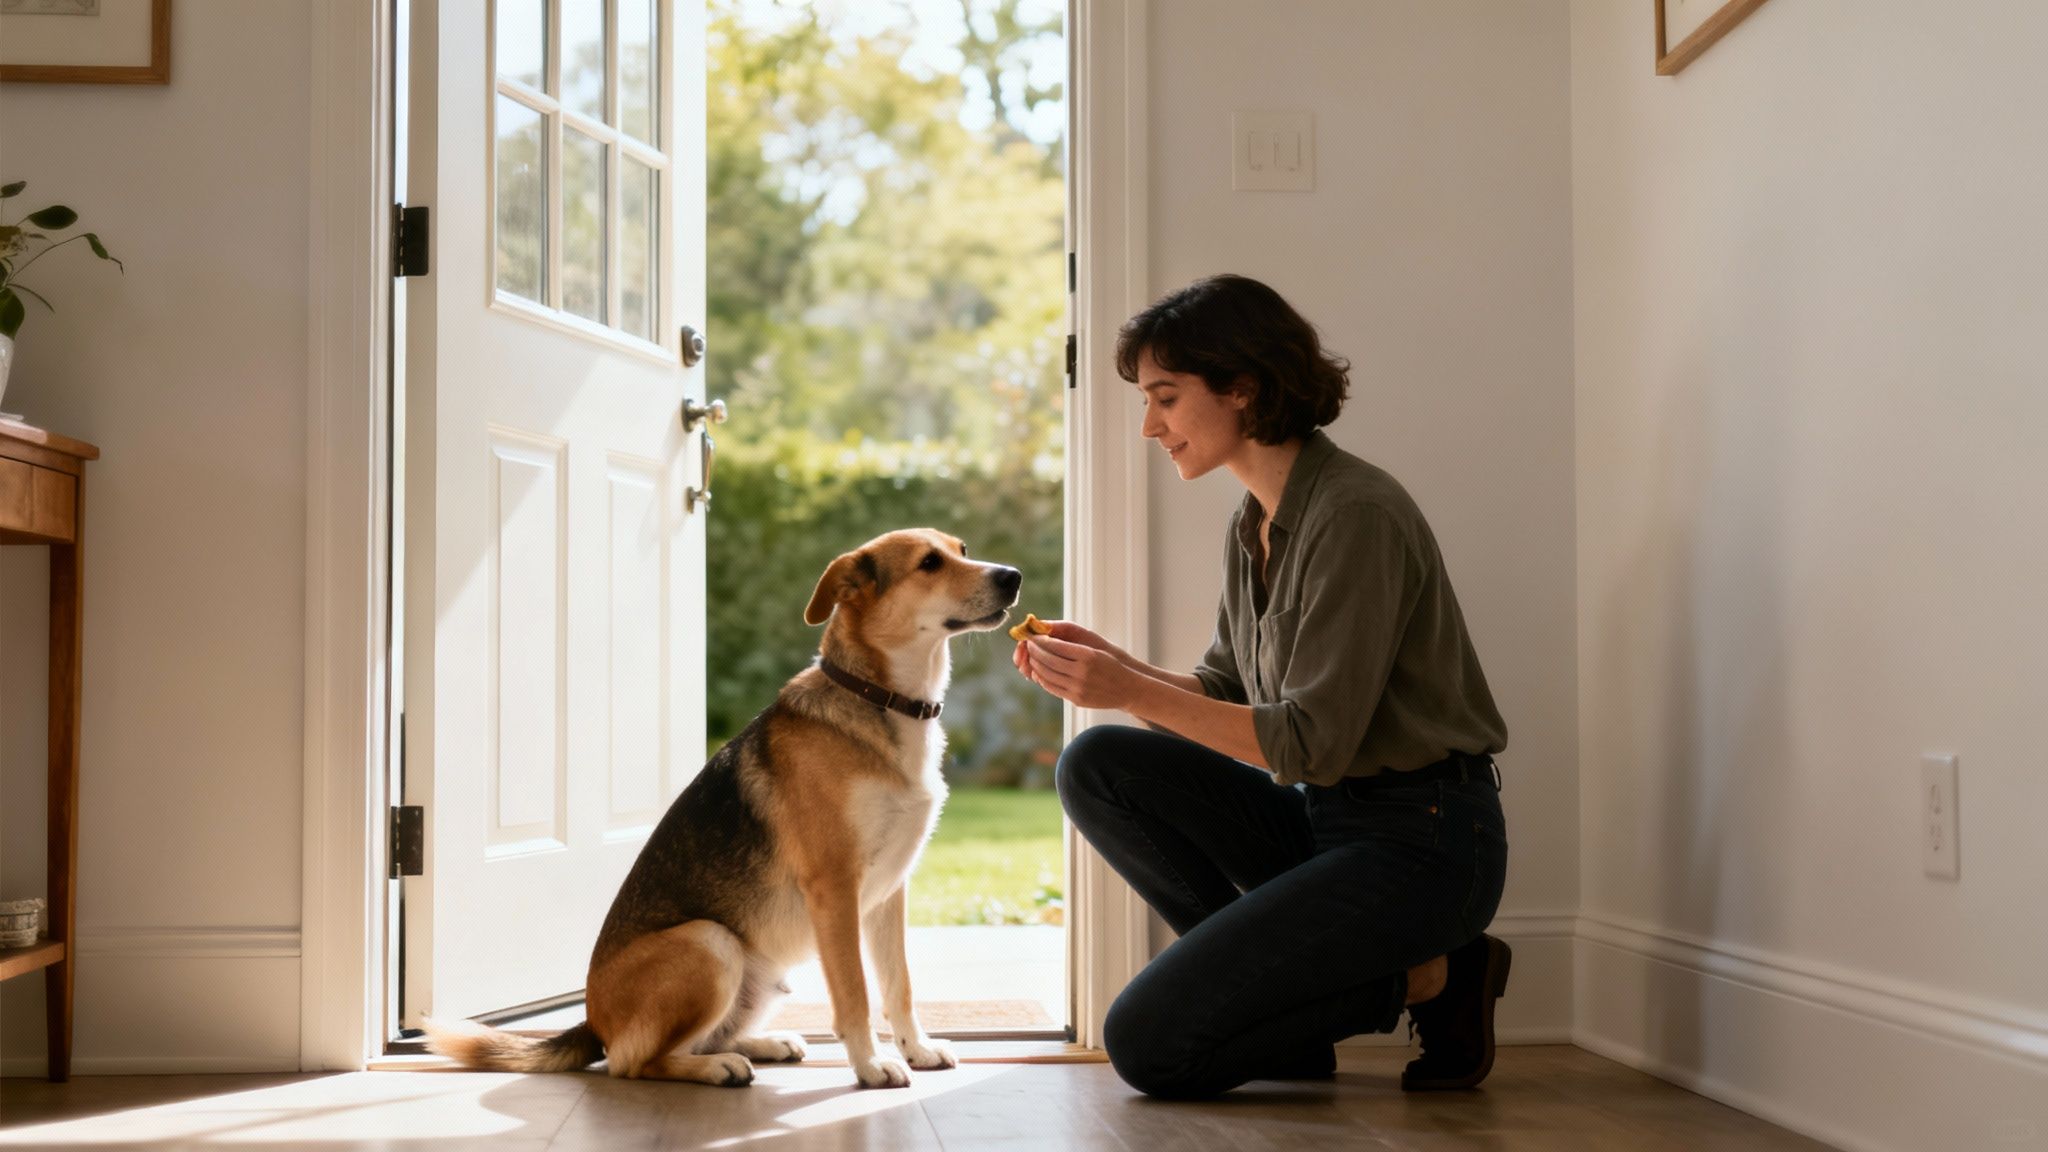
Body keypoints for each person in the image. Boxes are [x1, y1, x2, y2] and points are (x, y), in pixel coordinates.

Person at [1013, 274, 1511, 1099]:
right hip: (1330, 821)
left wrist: (1127, 689)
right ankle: (1281, 1018)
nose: (1149, 425)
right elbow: (1223, 688)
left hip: (1423, 841)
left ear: (1242, 387)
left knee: (1149, 1045)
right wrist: (1116, 669)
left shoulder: (1355, 515)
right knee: (1099, 762)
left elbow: (1311, 743)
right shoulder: (1255, 521)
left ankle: (1437, 977)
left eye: (1165, 397)